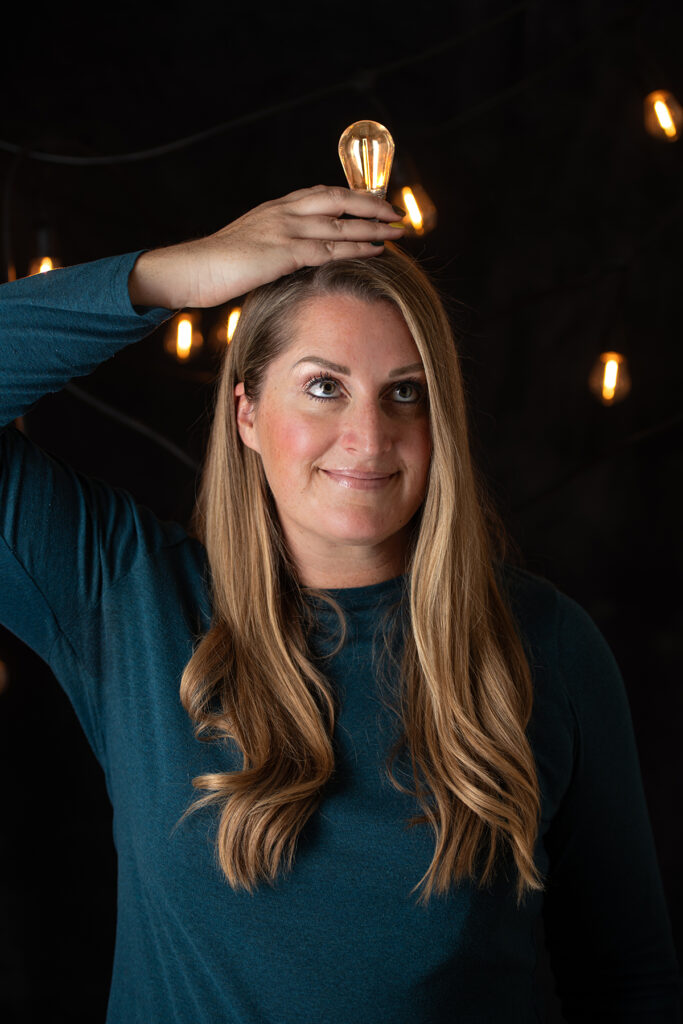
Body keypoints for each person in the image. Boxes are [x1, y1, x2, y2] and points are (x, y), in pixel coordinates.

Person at [0, 185, 680, 1023]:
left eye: (405, 392)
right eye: (324, 387)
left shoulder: (545, 645)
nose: (368, 437)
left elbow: (627, 981)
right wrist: (179, 275)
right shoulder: (126, 596)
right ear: (246, 412)